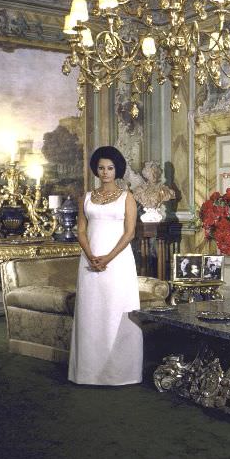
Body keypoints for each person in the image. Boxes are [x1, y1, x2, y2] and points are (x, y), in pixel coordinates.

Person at [68, 146, 142, 386]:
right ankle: (88, 373)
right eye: (101, 168)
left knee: (116, 311)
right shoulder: (86, 197)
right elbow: (80, 230)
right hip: (89, 262)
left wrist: (107, 258)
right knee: (91, 313)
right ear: (95, 170)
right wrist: (90, 256)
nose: (105, 172)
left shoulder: (127, 197)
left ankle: (122, 373)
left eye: (110, 168)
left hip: (118, 263)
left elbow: (130, 233)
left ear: (117, 169)